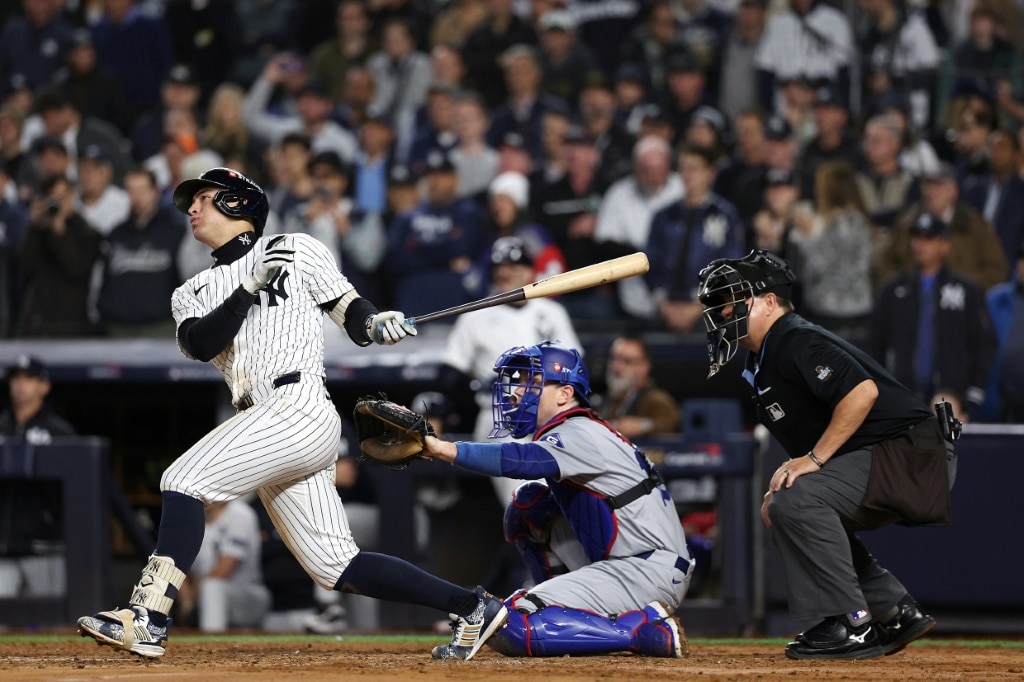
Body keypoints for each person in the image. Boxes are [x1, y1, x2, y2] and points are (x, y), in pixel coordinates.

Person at [76, 166, 508, 661]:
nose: (192, 209)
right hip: (263, 421)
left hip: (298, 406)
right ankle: (472, 605)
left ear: (240, 204)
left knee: (182, 479)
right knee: (336, 566)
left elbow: (352, 314)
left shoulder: (295, 248)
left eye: (205, 198)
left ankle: (147, 616)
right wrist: (247, 290)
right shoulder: (189, 291)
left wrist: (377, 322)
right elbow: (199, 344)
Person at [696, 249, 957, 660]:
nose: (723, 313)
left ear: (768, 302)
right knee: (792, 502)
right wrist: (795, 480)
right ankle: (894, 610)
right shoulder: (764, 355)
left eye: (733, 302)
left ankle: (852, 622)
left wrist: (811, 465)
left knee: (796, 501)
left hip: (909, 454)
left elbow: (862, 392)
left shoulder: (794, 337)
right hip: (895, 454)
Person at [421, 341, 692, 658]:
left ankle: (642, 632)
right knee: (529, 507)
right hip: (632, 560)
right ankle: (561, 609)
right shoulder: (578, 427)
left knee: (511, 625)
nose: (517, 392)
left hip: (646, 570)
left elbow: (520, 460)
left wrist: (443, 449)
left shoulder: (579, 431)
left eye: (532, 382)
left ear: (564, 394)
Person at [440, 235, 580, 498]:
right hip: (502, 416)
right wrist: (477, 386)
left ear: (529, 271)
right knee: (531, 492)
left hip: (553, 413)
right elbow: (450, 373)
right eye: (498, 268)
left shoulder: (552, 312)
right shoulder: (476, 313)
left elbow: (575, 366)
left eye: (512, 267)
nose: (504, 273)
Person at [867, 213, 997, 421]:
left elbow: (984, 345)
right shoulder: (892, 291)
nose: (920, 244)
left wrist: (970, 397)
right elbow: (874, 346)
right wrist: (881, 393)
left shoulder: (966, 290)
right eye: (917, 237)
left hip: (951, 399)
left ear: (945, 245)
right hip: (901, 399)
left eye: (929, 238)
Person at [0, 356, 77, 599]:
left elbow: (74, 493)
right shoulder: (1, 427)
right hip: (4, 546)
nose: (21, 385)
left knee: (52, 622)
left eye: (29, 379)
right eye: (16, 378)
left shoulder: (58, 431)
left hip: (45, 546)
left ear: (44, 386)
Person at [175, 500, 272, 633]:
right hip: (203, 596)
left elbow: (224, 570)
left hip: (247, 596)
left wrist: (191, 597)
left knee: (212, 586)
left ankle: (211, 643)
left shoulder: (239, 513)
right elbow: (179, 565)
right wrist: (185, 601)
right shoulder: (189, 516)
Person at [599, 335, 681, 440]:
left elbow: (674, 423)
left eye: (626, 361)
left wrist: (643, 426)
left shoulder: (655, 398)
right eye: (614, 359)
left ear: (644, 366)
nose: (616, 367)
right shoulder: (611, 399)